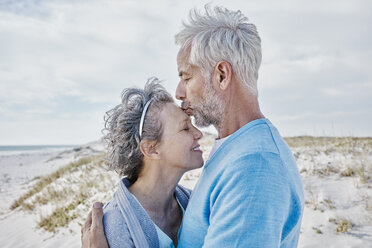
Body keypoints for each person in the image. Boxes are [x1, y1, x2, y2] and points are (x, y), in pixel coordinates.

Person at [82, 5, 304, 248]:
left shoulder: (254, 166)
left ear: (221, 75)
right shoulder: (237, 151)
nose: (178, 93)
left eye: (186, 77)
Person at [92, 77, 203, 248]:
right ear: (151, 149)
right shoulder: (115, 226)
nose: (198, 134)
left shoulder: (194, 203)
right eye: (185, 128)